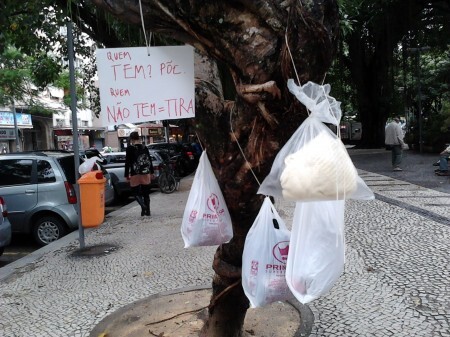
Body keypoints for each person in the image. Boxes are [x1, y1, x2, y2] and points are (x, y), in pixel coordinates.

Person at [125, 132, 155, 216]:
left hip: (135, 173)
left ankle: (143, 206)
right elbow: (149, 160)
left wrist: (126, 175)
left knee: (135, 192)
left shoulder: (129, 149)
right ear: (138, 138)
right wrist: (152, 172)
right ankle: (147, 211)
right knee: (146, 193)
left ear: (131, 139)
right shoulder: (144, 147)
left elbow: (127, 163)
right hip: (145, 172)